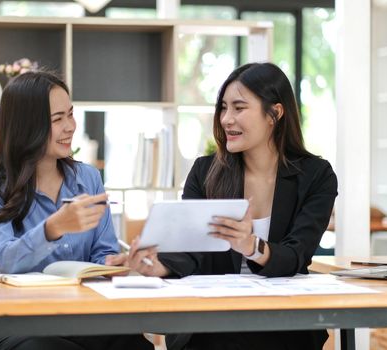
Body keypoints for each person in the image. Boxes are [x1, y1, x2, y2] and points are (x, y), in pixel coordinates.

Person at [119, 62, 338, 350]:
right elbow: (191, 251)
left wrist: (251, 245)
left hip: (282, 324)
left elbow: (297, 254)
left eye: (238, 107)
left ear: (275, 113)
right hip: (211, 324)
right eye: (223, 108)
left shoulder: (316, 175)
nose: (226, 119)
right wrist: (158, 266)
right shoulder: (205, 171)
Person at [0, 71, 153, 350]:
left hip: (86, 318)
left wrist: (117, 264)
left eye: (70, 114)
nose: (70, 127)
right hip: (21, 323)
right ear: (26, 127)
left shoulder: (88, 178)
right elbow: (4, 261)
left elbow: (102, 253)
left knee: (136, 347)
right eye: (58, 119)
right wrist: (52, 228)